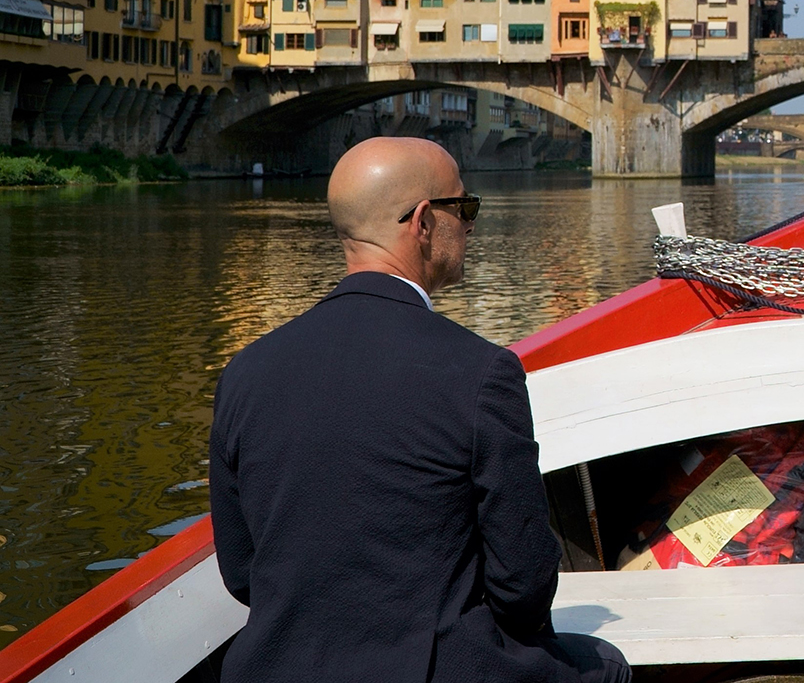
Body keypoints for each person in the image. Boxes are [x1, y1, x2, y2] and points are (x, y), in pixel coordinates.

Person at [209, 137, 629, 683]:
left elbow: (242, 572)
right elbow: (523, 586)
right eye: (466, 207)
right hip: (431, 671)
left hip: (274, 670)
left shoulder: (244, 373)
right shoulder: (480, 372)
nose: (471, 226)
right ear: (424, 222)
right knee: (607, 665)